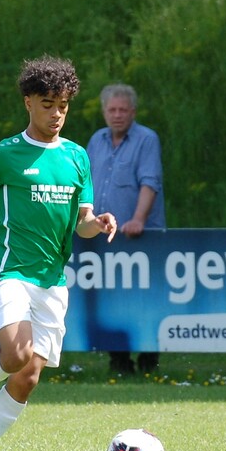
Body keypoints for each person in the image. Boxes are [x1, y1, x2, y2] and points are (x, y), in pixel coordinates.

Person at [0, 56, 117, 451]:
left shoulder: (76, 157)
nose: (56, 114)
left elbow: (82, 222)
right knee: (17, 352)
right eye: (47, 104)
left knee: (29, 375)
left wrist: (98, 223)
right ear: (28, 103)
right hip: (7, 271)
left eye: (63, 106)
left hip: (52, 280)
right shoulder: (4, 155)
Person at [86, 83, 165, 375]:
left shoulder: (147, 139)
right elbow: (84, 183)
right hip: (105, 236)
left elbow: (150, 182)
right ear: (104, 112)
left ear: (133, 112)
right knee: (111, 299)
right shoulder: (96, 140)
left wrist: (138, 219)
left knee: (147, 298)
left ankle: (148, 361)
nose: (117, 115)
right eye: (112, 110)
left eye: (123, 110)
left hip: (141, 236)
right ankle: (118, 361)